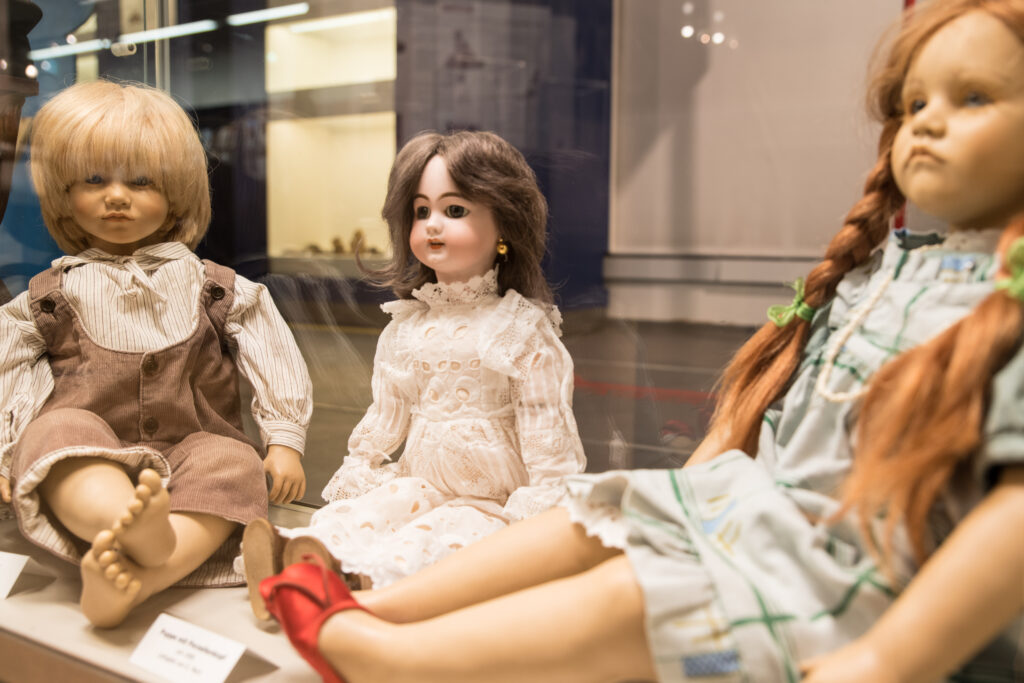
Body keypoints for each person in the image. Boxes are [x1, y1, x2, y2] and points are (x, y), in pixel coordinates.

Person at [258, 1, 1024, 681]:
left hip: (841, 590)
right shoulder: (874, 278)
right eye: (915, 101)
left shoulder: (995, 304)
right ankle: (386, 607)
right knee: (604, 513)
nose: (925, 120)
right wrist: (674, 507)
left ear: (501, 227)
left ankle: (397, 658)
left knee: (657, 601)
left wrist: (885, 660)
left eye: (975, 97)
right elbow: (735, 437)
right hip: (761, 521)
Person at [0, 80, 313, 628]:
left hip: (194, 448)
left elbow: (271, 350)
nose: (115, 196)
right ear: (64, 191)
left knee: (233, 463)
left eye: (140, 181)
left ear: (175, 191)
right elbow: (7, 367)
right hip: (92, 454)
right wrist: (7, 447)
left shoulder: (215, 287)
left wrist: (283, 438)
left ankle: (138, 575)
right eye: (93, 180)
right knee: (58, 431)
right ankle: (121, 521)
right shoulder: (52, 295)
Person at [242, 131, 585, 615]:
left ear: (505, 224)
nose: (433, 225)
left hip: (490, 502)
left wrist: (536, 510)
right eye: (421, 212)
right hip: (420, 484)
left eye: (455, 210)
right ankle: (295, 565)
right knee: (362, 517)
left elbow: (549, 434)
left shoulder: (520, 329)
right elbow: (388, 413)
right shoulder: (408, 327)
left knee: (434, 546)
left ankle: (350, 589)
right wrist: (364, 464)